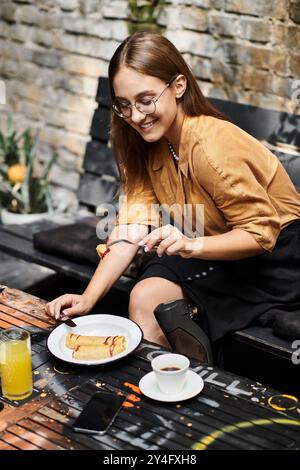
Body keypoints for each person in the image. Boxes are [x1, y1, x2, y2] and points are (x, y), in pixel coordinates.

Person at [46, 32, 300, 363]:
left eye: (146, 99)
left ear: (178, 86)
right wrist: (87, 297)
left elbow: (260, 233)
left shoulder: (211, 148)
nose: (135, 116)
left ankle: (194, 385)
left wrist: (192, 245)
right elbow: (133, 226)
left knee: (157, 283)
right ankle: (170, 387)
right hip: (212, 244)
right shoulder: (147, 142)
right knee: (144, 295)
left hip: (274, 257)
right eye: (124, 105)